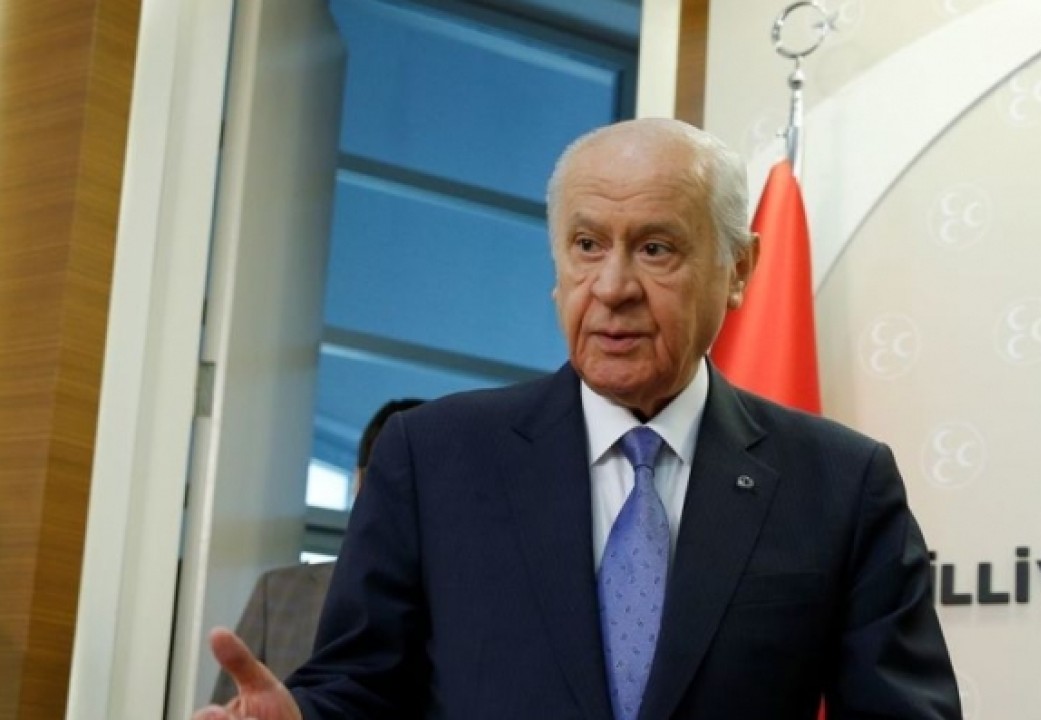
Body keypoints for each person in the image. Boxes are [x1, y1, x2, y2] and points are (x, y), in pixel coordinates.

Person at [195, 118, 960, 719]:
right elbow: (360, 687)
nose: (613, 286)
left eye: (655, 248)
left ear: (738, 270)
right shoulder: (431, 459)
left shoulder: (841, 484)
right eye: (587, 245)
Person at [209, 398, 424, 704]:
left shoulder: (471, 612)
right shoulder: (280, 595)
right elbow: (233, 708)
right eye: (390, 483)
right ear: (359, 483)